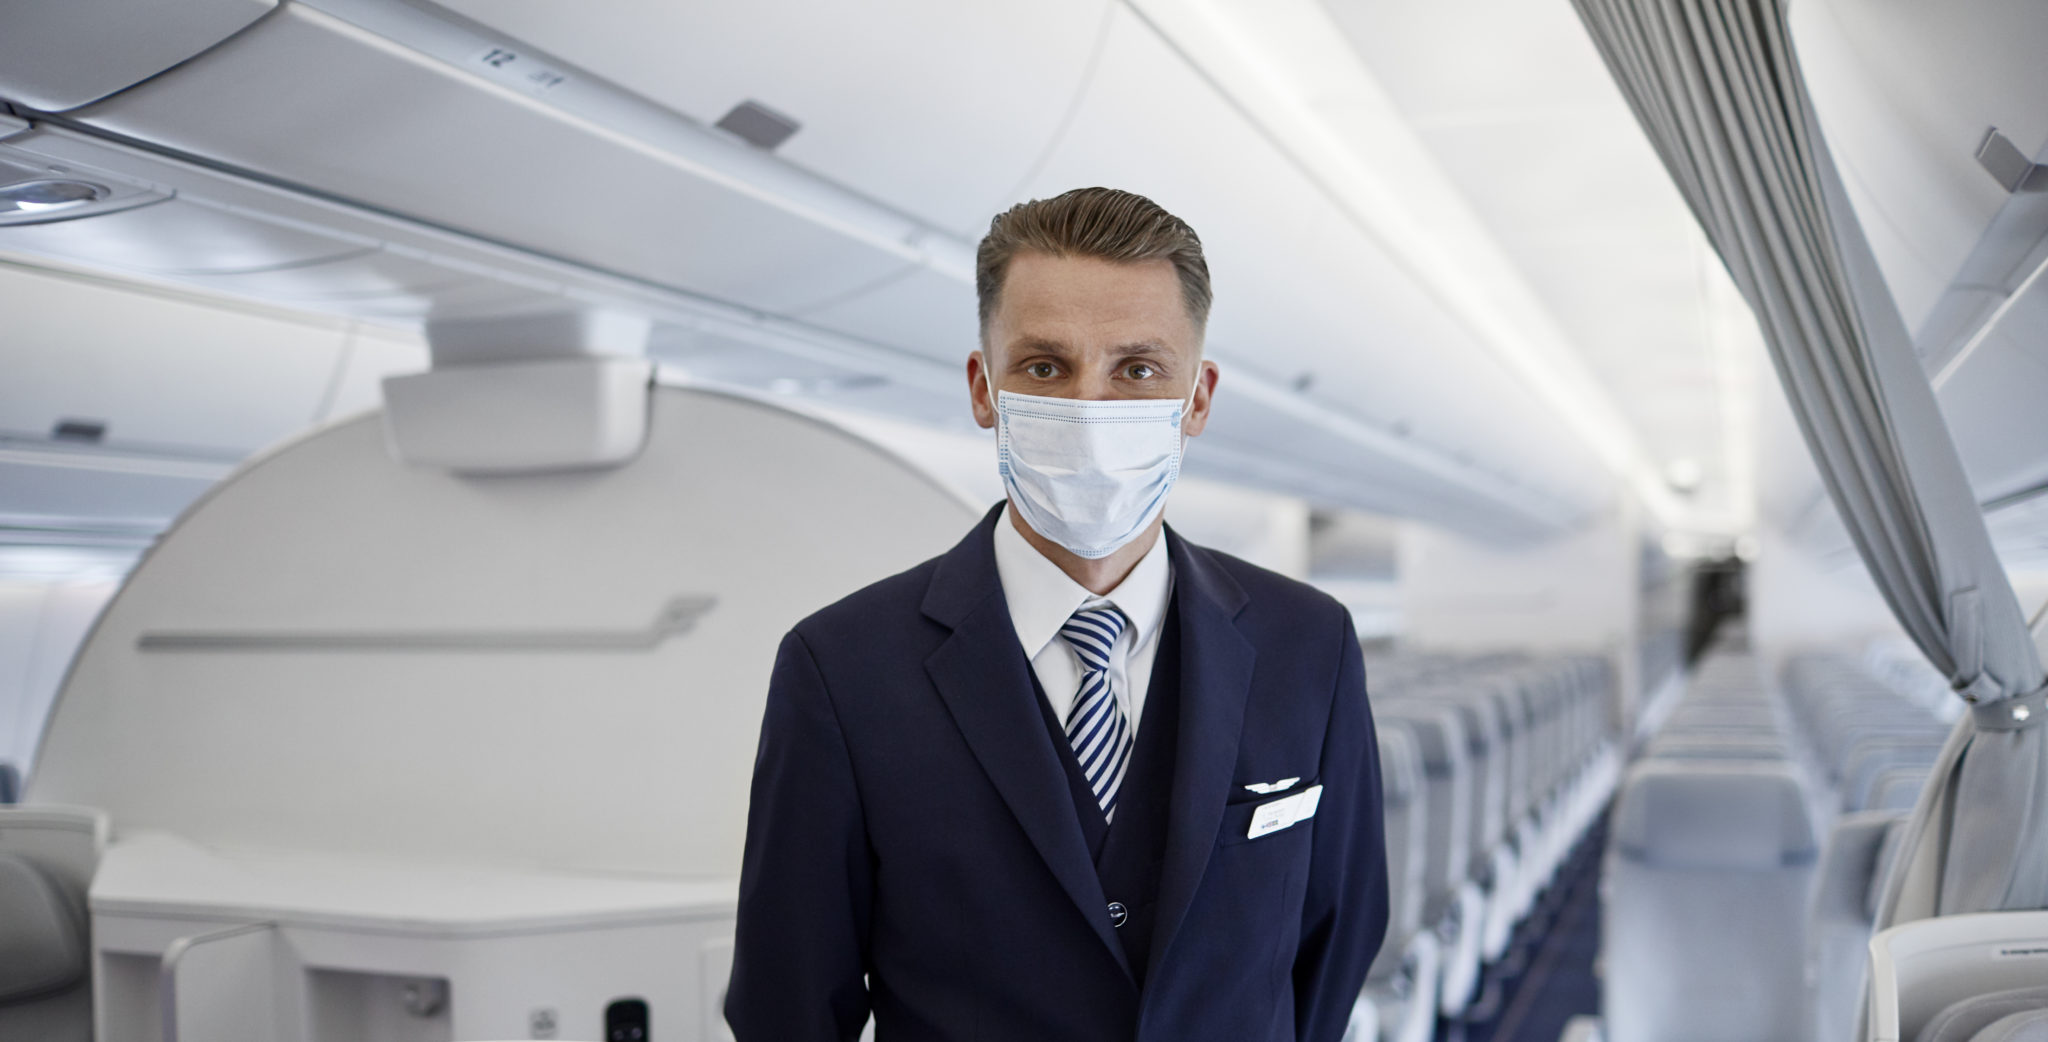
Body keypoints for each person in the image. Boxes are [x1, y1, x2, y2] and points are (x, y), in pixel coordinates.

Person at [725, 187, 1388, 1042]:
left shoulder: (1310, 644)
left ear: (1197, 398)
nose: (1089, 409)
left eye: (1137, 369)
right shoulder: (842, 668)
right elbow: (789, 1005)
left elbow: (1335, 944)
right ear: (982, 387)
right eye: (1045, 367)